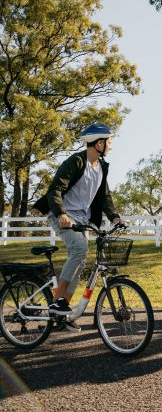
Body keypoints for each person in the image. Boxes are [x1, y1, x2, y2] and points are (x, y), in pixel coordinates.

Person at [34, 122, 122, 331]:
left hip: (82, 220)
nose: (110, 146)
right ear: (99, 143)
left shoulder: (101, 167)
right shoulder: (76, 161)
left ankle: (63, 313)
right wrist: (62, 214)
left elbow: (105, 196)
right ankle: (58, 302)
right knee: (79, 249)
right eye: (109, 142)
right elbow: (55, 190)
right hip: (62, 215)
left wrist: (115, 217)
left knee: (81, 260)